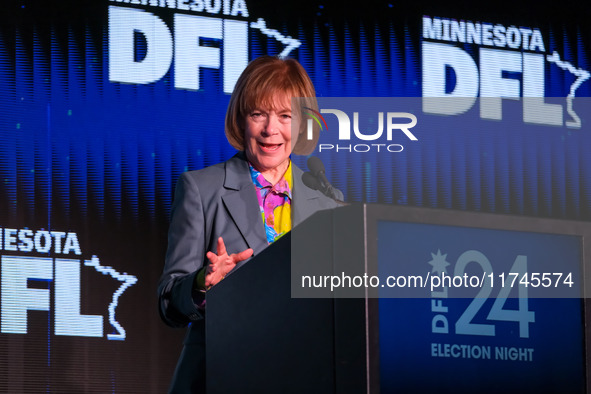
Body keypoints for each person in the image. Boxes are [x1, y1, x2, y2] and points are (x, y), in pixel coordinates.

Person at [157, 55, 338, 393]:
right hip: (220, 376)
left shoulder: (327, 202)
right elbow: (169, 304)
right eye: (259, 114)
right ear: (241, 120)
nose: (271, 130)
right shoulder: (201, 189)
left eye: (286, 116)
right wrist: (202, 284)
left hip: (303, 376)